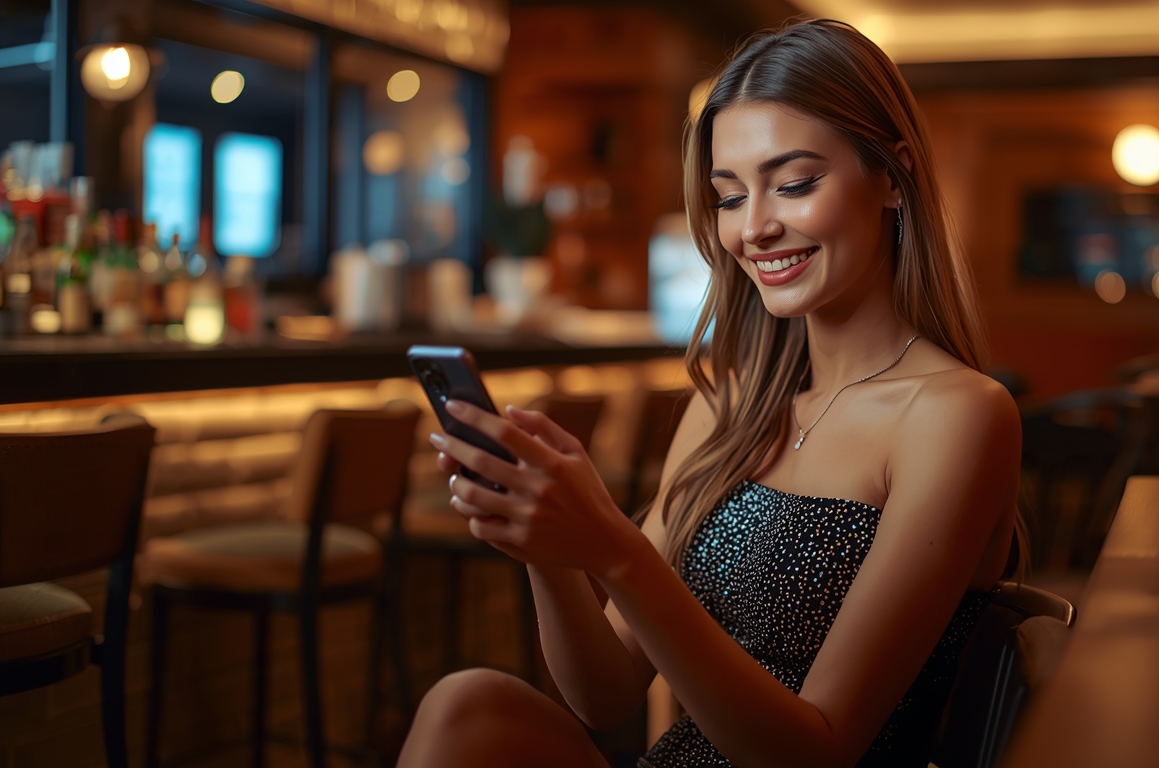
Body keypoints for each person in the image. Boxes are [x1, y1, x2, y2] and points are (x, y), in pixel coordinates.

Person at [401, 19, 1023, 768]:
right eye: (729, 197)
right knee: (466, 705)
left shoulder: (958, 415)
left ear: (893, 176)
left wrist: (616, 548)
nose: (754, 228)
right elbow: (603, 694)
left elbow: (816, 752)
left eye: (793, 184)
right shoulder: (729, 409)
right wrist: (552, 547)